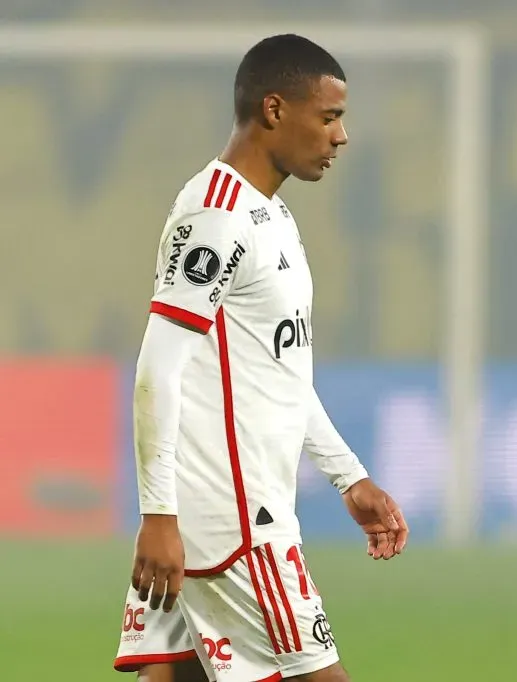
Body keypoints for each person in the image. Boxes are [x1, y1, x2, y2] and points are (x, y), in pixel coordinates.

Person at [111, 34, 409, 682]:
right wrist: (157, 515)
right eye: (329, 117)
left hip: (221, 518)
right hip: (235, 524)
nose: (341, 136)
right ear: (274, 109)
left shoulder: (269, 215)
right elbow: (157, 368)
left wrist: (349, 477)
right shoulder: (215, 216)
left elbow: (282, 373)